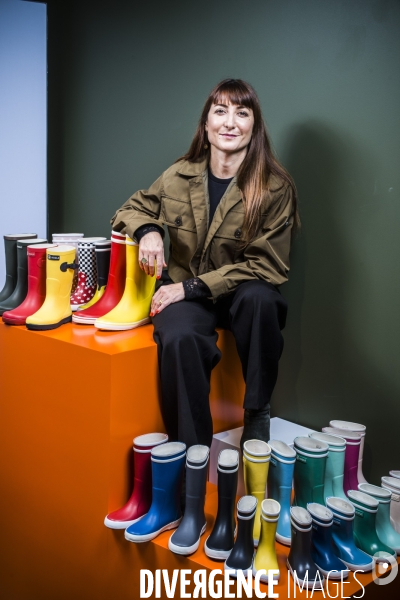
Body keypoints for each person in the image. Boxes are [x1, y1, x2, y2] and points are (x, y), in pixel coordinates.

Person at [111, 78, 299, 451]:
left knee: (262, 300)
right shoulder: (179, 175)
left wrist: (191, 287)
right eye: (220, 111)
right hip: (189, 295)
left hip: (238, 296)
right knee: (178, 337)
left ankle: (257, 412)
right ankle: (191, 454)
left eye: (241, 113)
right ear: (207, 124)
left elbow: (268, 265)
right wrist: (149, 230)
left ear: (254, 126)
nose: (230, 122)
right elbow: (130, 209)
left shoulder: (276, 188)